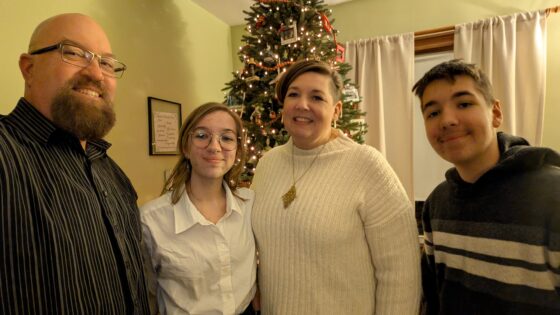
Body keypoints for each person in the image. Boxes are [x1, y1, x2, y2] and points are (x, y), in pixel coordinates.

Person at [0, 13, 149, 314]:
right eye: (73, 53)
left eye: (106, 62)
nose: (96, 73)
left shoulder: (114, 175)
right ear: (28, 68)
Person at [251, 59, 421, 314]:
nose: (302, 104)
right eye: (293, 94)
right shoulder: (267, 163)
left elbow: (401, 272)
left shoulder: (366, 164)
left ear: (337, 110)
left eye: (317, 97)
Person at [412, 59, 560, 314]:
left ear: (495, 113)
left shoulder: (552, 194)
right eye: (433, 112)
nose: (447, 120)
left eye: (464, 104)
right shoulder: (437, 204)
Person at [140, 102, 259, 314]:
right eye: (202, 136)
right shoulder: (151, 220)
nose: (214, 147)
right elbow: (145, 297)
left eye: (227, 137)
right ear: (186, 147)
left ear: (237, 150)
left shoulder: (250, 205)